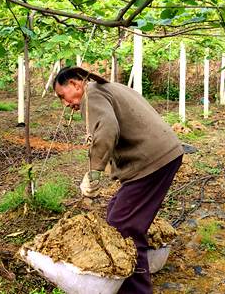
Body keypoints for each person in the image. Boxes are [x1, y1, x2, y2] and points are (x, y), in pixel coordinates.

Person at [53, 66, 184, 294]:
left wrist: (94, 171)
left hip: (151, 161)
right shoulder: (105, 88)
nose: (65, 104)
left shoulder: (91, 94)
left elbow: (107, 130)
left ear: (75, 84)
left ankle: (135, 290)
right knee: (116, 212)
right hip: (161, 155)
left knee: (124, 229)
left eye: (62, 96)